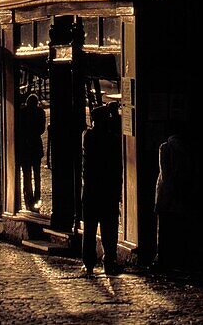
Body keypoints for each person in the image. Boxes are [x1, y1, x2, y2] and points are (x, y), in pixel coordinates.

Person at [81, 103, 122, 277]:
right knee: (109, 229)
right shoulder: (112, 139)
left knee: (89, 230)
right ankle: (109, 261)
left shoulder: (88, 137)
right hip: (109, 191)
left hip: (91, 191)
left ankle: (89, 264)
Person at [154, 125, 190, 273]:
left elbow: (164, 173)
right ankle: (177, 259)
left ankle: (163, 259)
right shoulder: (186, 150)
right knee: (178, 227)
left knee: (163, 229)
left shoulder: (165, 147)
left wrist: (167, 193)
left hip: (166, 195)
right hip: (181, 192)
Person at [18, 92, 46, 210]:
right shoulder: (40, 112)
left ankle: (28, 198)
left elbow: (20, 128)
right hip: (35, 146)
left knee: (27, 175)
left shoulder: (22, 113)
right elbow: (41, 129)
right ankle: (36, 197)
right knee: (37, 174)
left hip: (25, 147)